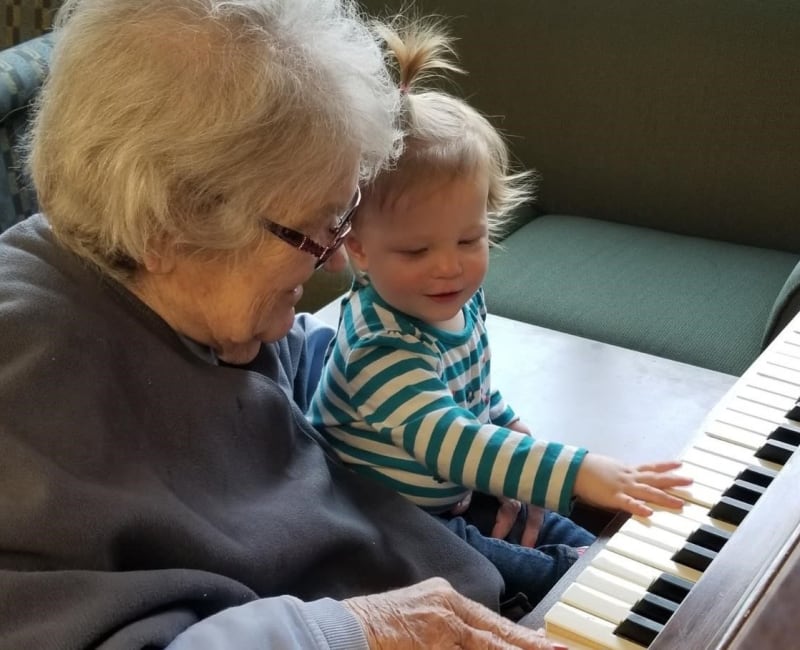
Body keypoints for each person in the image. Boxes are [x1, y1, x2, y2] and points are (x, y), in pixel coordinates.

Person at [0, 1, 576, 649]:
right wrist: (345, 632)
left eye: (344, 211)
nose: (334, 256)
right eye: (315, 227)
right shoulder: (25, 394)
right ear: (169, 228)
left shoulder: (175, 277)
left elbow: (300, 375)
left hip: (444, 570)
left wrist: (473, 426)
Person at [309, 17, 692, 612]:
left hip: (451, 495)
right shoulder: (379, 348)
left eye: (470, 240)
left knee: (587, 538)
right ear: (356, 246)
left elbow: (475, 397)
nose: (448, 269)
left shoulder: (455, 300)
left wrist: (513, 431)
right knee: (539, 580)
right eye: (416, 250)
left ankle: (630, 581)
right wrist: (580, 470)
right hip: (392, 519)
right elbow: (450, 441)